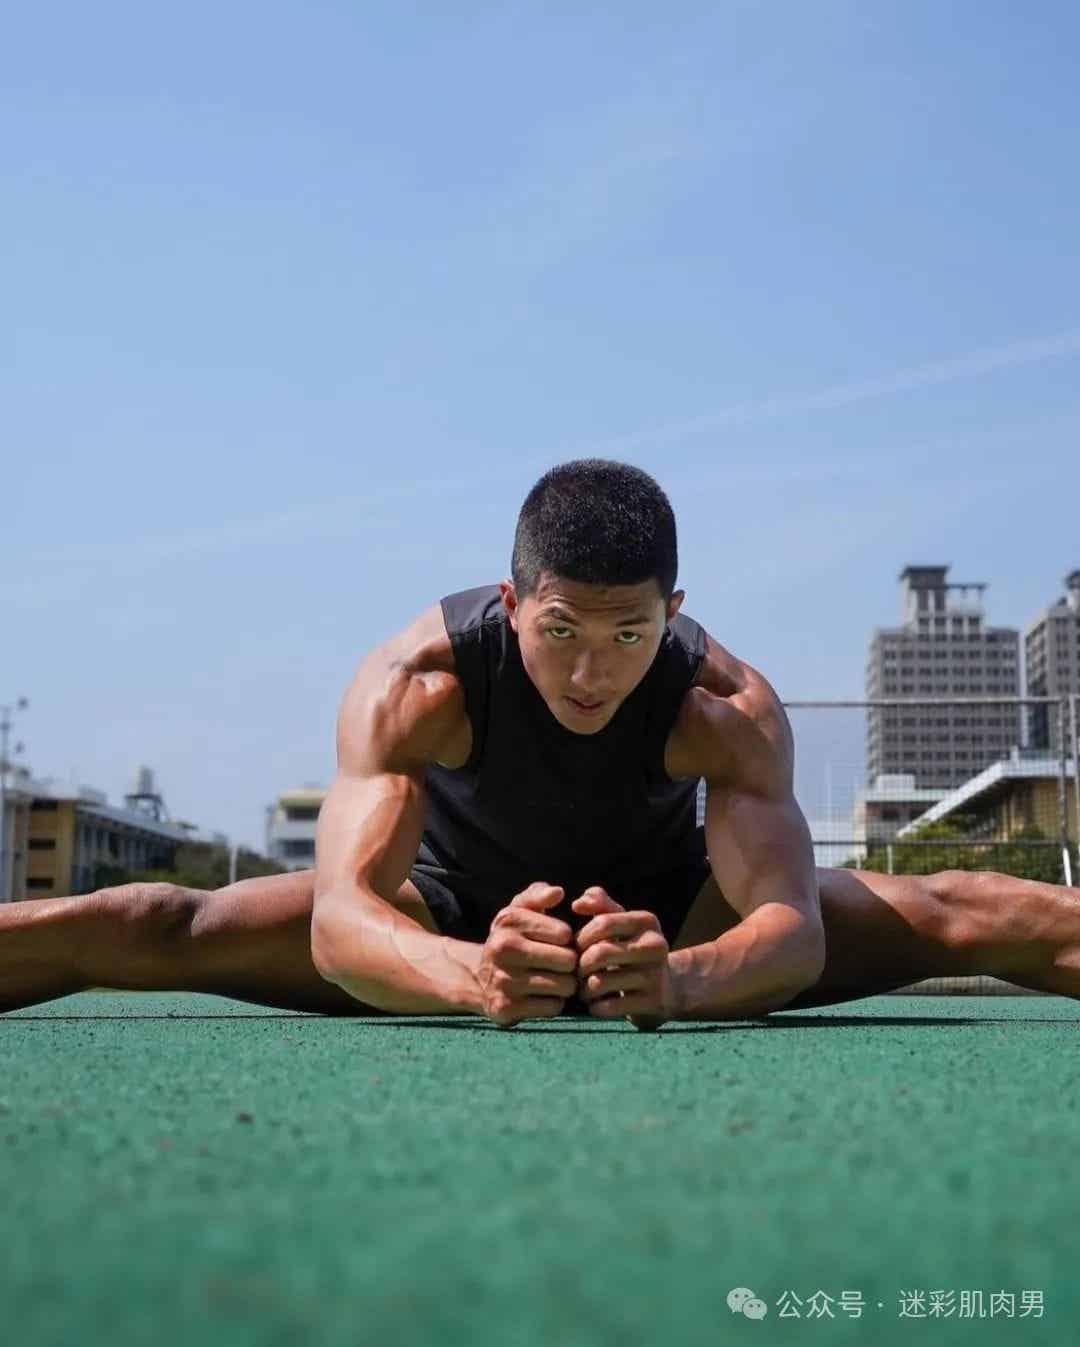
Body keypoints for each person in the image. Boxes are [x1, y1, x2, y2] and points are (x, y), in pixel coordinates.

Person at [3, 460, 1079, 1028]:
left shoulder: (726, 705)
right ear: (513, 603)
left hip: (672, 923)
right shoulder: (418, 684)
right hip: (445, 919)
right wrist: (476, 973)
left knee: (962, 907)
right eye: (560, 632)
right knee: (157, 921)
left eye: (629, 636)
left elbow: (790, 934)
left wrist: (680, 981)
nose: (591, 672)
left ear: (673, 611)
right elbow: (341, 922)